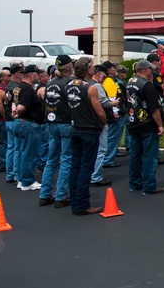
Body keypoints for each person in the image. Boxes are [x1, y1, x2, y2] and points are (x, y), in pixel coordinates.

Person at [66, 57, 105, 216]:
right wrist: (103, 123)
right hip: (89, 129)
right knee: (86, 167)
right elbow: (100, 111)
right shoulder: (90, 88)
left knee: (75, 166)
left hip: (75, 127)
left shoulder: (69, 85)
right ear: (88, 70)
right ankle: (82, 204)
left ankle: (74, 200)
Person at [125, 59, 164, 195]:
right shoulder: (147, 85)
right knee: (149, 156)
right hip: (147, 124)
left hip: (133, 121)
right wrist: (160, 125)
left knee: (135, 155)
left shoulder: (130, 82)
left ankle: (134, 183)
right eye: (151, 69)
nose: (152, 71)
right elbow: (154, 109)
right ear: (147, 70)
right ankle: (149, 185)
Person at [40, 55, 74, 207]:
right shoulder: (70, 83)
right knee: (66, 160)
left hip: (51, 122)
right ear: (68, 67)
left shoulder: (50, 83)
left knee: (51, 160)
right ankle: (61, 195)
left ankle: (45, 193)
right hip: (65, 122)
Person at [13, 64, 44, 191]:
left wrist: (15, 113)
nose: (39, 76)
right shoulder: (28, 89)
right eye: (37, 74)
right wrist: (17, 112)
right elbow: (21, 106)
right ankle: (27, 181)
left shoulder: (18, 87)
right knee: (29, 153)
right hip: (28, 123)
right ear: (32, 75)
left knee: (21, 152)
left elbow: (13, 104)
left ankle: (21, 178)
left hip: (20, 123)